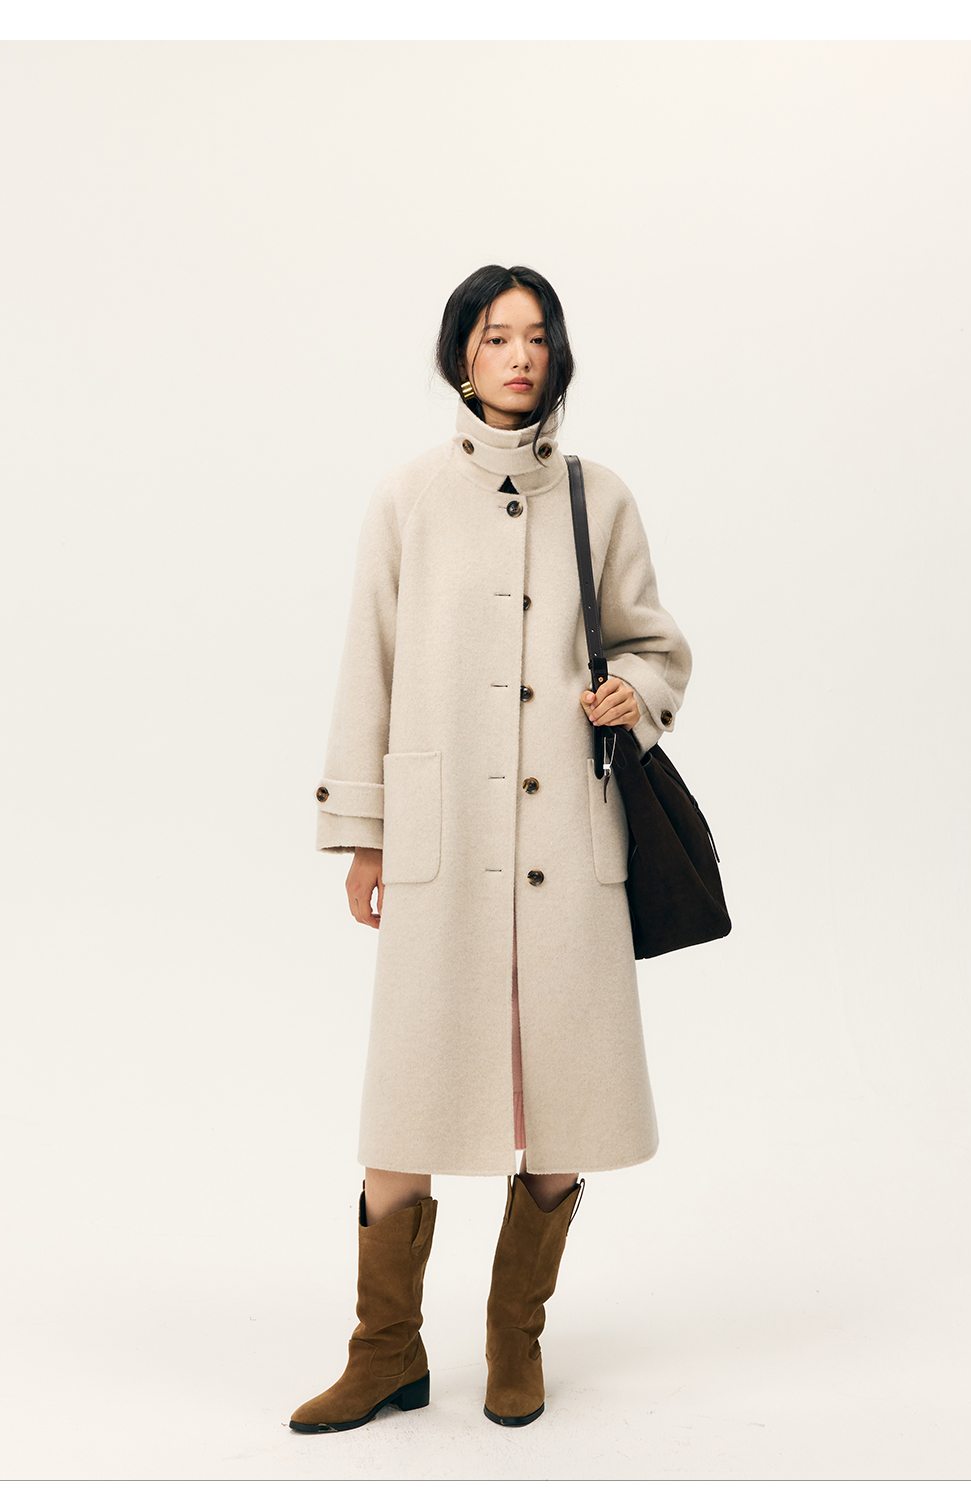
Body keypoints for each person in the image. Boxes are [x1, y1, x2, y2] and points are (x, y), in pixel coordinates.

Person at [290, 265, 692, 1434]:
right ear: (461, 355)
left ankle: (516, 1340)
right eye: (495, 336)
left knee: (567, 1099)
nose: (518, 356)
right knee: (404, 1108)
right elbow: (367, 665)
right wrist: (363, 832)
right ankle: (385, 1352)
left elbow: (655, 644)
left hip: (568, 840)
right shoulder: (408, 498)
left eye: (536, 337)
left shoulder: (599, 498)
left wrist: (633, 694)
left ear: (556, 356)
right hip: (444, 840)